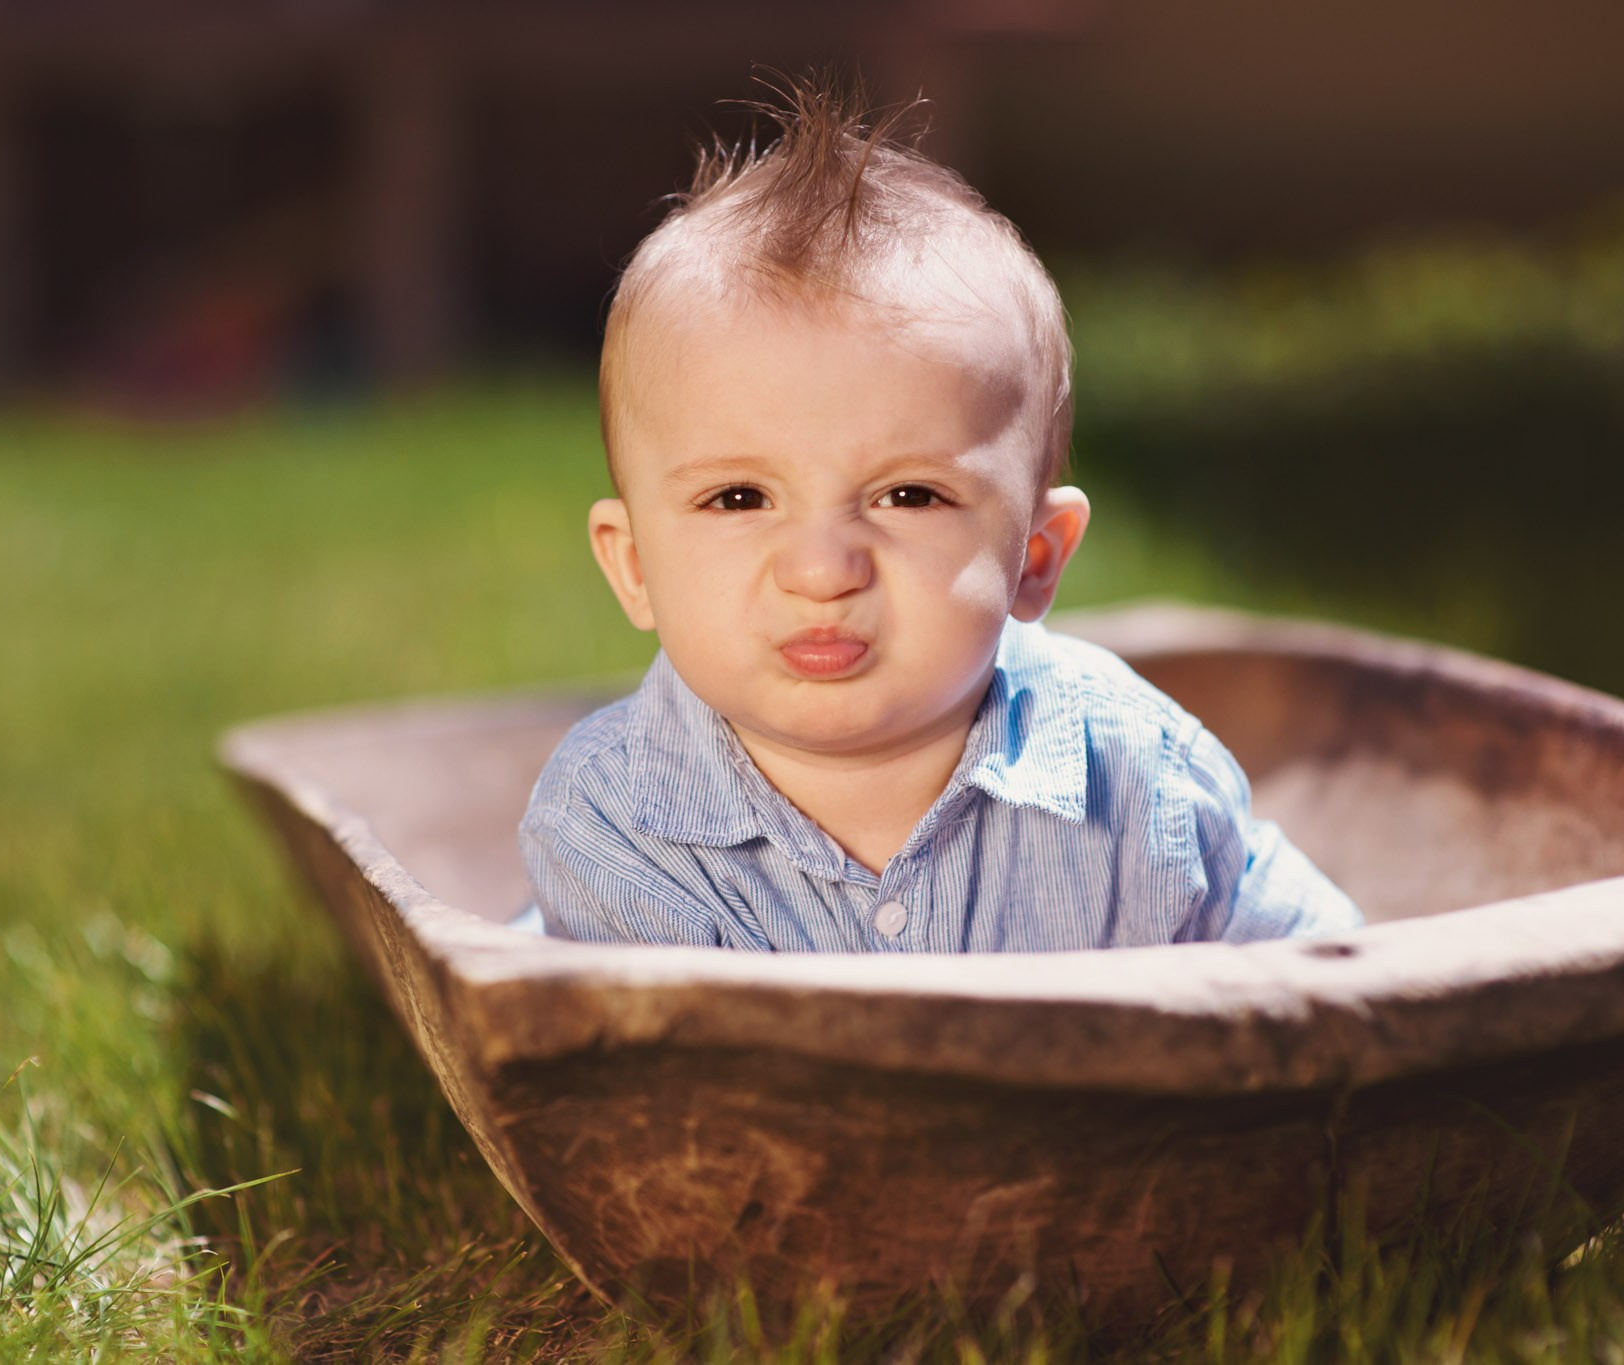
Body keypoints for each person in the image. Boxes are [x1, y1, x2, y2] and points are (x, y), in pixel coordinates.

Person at [517, 77, 1361, 950]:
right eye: (739, 497)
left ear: (1035, 555)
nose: (821, 570)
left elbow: (1334, 977)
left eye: (908, 495)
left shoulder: (1141, 784)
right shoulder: (607, 828)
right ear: (634, 565)